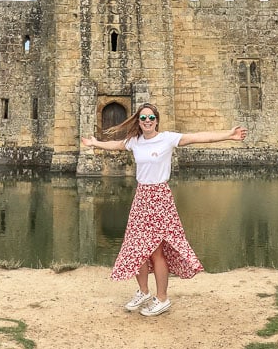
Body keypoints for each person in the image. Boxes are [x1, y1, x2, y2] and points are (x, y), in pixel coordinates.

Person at [82, 104, 247, 317]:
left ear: (157, 120)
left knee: (156, 251)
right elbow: (116, 145)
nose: (147, 120)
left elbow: (197, 137)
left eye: (151, 117)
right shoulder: (135, 141)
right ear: (139, 121)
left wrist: (228, 135)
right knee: (136, 247)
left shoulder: (167, 139)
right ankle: (143, 292)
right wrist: (95, 143)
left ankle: (162, 298)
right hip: (141, 197)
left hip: (160, 198)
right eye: (143, 118)